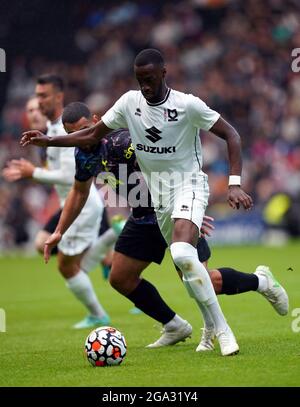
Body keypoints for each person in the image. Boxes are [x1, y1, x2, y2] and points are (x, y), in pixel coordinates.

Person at [20, 49, 283, 355]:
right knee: (121, 277)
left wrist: (194, 211)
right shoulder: (88, 151)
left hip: (181, 196)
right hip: (148, 213)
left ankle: (255, 289)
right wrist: (59, 229)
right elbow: (79, 191)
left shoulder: (126, 141)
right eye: (71, 135)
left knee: (199, 275)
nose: (81, 139)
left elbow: (204, 142)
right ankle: (175, 325)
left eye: (81, 132)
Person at [5, 75, 112, 329]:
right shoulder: (53, 131)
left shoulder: (66, 132)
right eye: (36, 96)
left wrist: (34, 173)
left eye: (43, 96)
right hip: (75, 204)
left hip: (81, 205)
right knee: (48, 248)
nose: (39, 102)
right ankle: (108, 242)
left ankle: (98, 314)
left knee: (66, 266)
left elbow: (69, 176)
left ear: (58, 97)